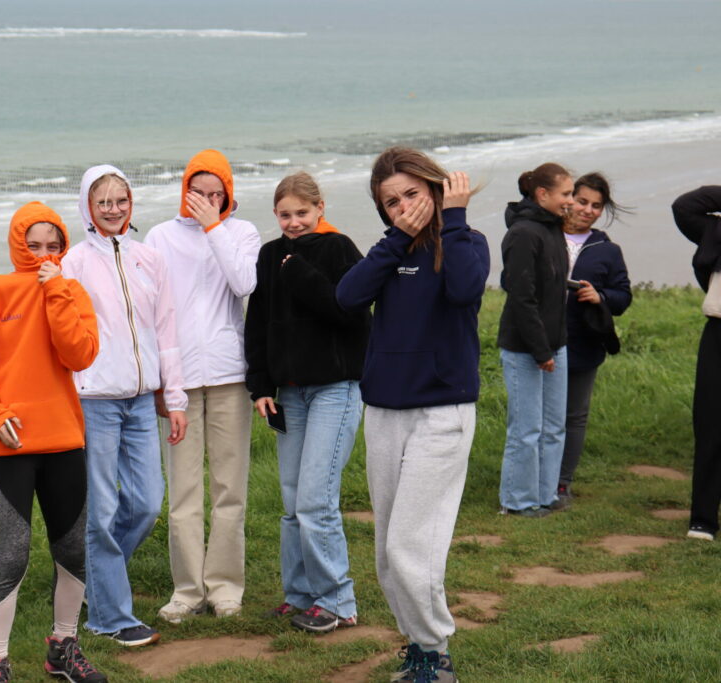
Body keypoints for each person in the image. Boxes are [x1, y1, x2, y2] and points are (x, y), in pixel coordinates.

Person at [335, 147, 489, 682]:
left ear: (436, 191)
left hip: (442, 412)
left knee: (410, 545)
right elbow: (348, 296)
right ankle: (420, 648)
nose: (404, 207)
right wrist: (396, 239)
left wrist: (456, 218)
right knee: (386, 550)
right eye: (391, 202)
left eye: (412, 195)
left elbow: (465, 290)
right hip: (384, 411)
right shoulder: (389, 250)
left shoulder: (466, 241)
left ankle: (435, 652)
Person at [0, 201, 106, 683]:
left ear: (63, 247)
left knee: (73, 551)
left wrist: (55, 290)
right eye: (33, 245)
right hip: (9, 445)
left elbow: (79, 355)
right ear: (17, 244)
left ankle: (64, 648)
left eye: (52, 246)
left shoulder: (70, 291)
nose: (42, 254)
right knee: (12, 556)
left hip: (64, 442)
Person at [60, 165, 188, 646]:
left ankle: (92, 581)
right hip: (94, 400)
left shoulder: (149, 259)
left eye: (121, 201)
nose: (113, 210)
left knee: (147, 504)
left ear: (131, 204)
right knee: (101, 511)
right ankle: (110, 617)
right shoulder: (73, 263)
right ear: (87, 208)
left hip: (140, 402)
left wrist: (173, 397)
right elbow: (65, 336)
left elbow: (166, 332)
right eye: (103, 202)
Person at [244, 172, 370, 632]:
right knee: (293, 500)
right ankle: (300, 596)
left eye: (302, 212)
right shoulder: (268, 255)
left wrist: (298, 272)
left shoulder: (340, 249)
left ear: (320, 208)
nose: (293, 222)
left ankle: (337, 601)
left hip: (336, 388)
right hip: (290, 395)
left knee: (316, 500)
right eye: (285, 215)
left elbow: (351, 313)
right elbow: (257, 324)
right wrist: (260, 386)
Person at [144, 150, 261, 623]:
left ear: (228, 194)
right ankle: (188, 591)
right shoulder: (160, 236)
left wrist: (215, 228)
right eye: (199, 193)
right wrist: (159, 382)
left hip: (231, 375)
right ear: (185, 191)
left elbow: (245, 283)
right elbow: (152, 310)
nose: (207, 201)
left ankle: (226, 588)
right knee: (184, 492)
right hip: (180, 382)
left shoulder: (242, 232)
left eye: (217, 194)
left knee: (230, 487)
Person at [497, 163, 574, 518]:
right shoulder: (523, 233)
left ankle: (545, 496)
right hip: (524, 348)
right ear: (542, 194)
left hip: (555, 343)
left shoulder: (552, 228)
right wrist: (541, 350)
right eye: (566, 194)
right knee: (526, 429)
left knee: (554, 427)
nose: (571, 201)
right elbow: (521, 296)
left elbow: (552, 286)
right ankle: (517, 502)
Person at [553, 173, 632, 508]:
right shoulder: (542, 235)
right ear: (567, 199)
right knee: (542, 417)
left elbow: (623, 296)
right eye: (582, 201)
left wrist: (600, 296)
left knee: (574, 417)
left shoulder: (607, 250)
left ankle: (562, 483)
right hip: (542, 341)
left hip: (584, 345)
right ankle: (535, 480)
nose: (588, 210)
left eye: (596, 206)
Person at [672, 185, 721, 541]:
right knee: (710, 423)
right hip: (719, 332)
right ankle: (703, 518)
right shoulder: (716, 230)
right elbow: (685, 207)